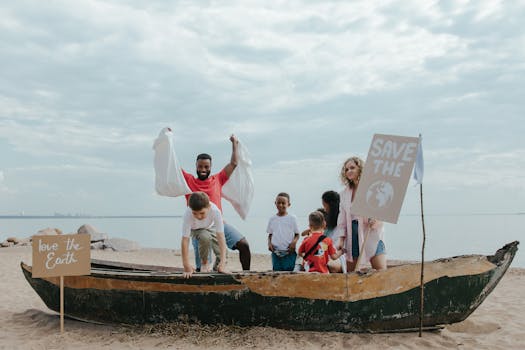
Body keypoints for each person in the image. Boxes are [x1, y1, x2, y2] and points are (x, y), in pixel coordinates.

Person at [181, 134, 251, 270]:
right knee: (202, 265)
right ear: (196, 166)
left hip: (218, 223)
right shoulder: (188, 181)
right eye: (200, 166)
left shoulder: (217, 179)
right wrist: (168, 141)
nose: (203, 170)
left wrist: (234, 143)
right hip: (198, 227)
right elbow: (173, 167)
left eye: (206, 167)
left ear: (210, 167)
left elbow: (234, 164)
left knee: (244, 245)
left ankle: (246, 276)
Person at [336, 156, 386, 272]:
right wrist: (341, 240)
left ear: (360, 169)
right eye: (346, 169)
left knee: (380, 270)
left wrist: (376, 220)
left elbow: (381, 209)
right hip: (352, 234)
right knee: (352, 273)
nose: (349, 171)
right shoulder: (344, 194)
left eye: (352, 168)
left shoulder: (371, 188)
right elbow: (342, 220)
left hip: (371, 232)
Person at [181, 192, 228, 278]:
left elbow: (221, 236)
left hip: (210, 227)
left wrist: (223, 261)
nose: (198, 216)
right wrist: (186, 265)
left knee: (223, 253)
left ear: (209, 207)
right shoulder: (188, 213)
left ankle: (217, 268)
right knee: (205, 236)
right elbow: (185, 240)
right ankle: (205, 263)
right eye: (195, 213)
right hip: (196, 229)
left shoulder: (215, 211)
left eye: (202, 213)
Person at [266, 192, 300, 271]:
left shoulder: (292, 218)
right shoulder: (272, 219)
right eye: (278, 203)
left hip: (289, 251)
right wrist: (269, 243)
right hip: (276, 252)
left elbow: (297, 234)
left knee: (289, 271)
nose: (280, 205)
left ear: (288, 204)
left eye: (283, 203)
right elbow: (270, 234)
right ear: (275, 203)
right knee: (276, 272)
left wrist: (294, 243)